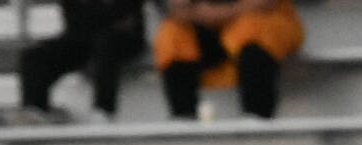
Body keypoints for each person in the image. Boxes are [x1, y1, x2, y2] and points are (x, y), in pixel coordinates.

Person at [153, 0, 304, 121]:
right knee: (171, 34)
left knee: (252, 29)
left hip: (261, 21)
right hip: (207, 29)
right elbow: (178, 9)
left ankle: (256, 120)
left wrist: (215, 14)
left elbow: (263, 3)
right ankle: (184, 119)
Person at [16, 0, 146, 123]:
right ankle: (35, 109)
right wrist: (104, 16)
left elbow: (126, 13)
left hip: (124, 39)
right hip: (82, 38)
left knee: (106, 45)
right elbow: (73, 19)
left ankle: (103, 111)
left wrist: (93, 15)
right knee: (34, 55)